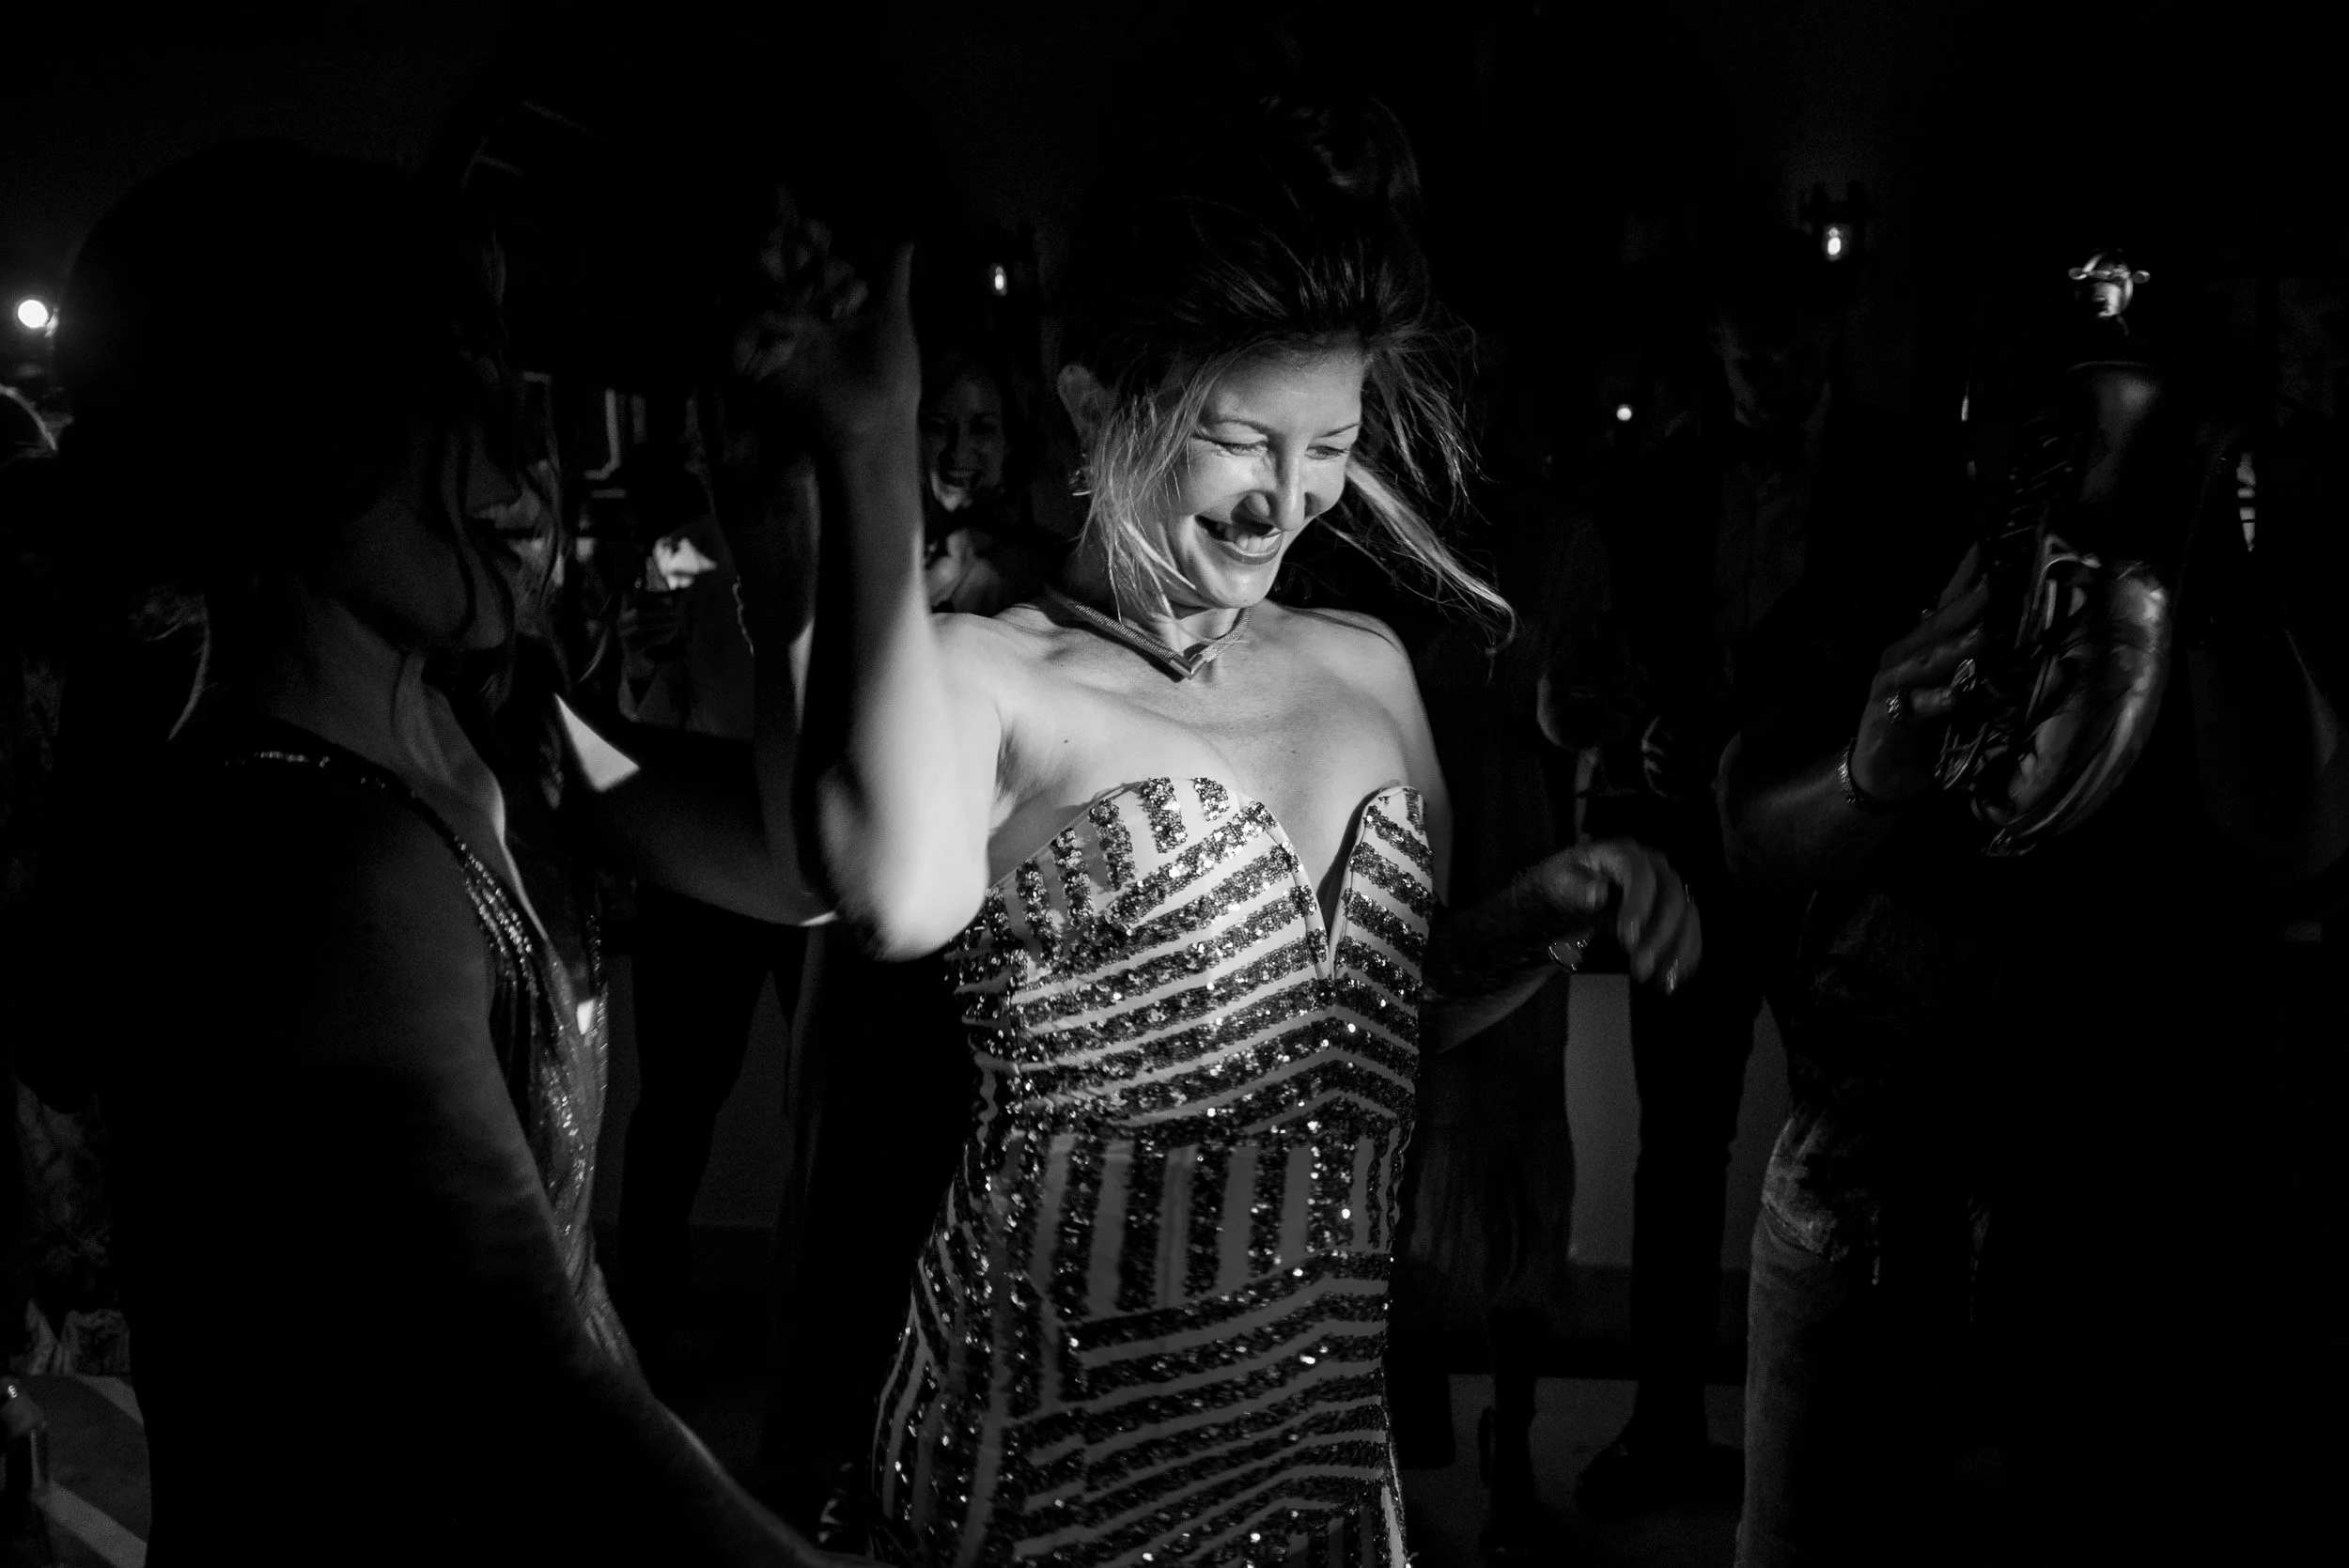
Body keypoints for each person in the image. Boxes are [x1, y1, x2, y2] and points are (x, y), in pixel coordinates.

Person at [743, 94, 1702, 1564]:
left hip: (1316, 1467)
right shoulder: (990, 675)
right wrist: (869, 430)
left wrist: (1550, 908)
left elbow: (1389, 1019)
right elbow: (886, 894)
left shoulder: (1365, 668)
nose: (1288, 500)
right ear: (1094, 401)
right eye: (1239, 438)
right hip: (1051, 1472)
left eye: (1332, 444)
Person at [36, 143, 865, 1565]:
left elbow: (803, 858)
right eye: (436, 391)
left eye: (503, 376)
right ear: (279, 434)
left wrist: (787, 513)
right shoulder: (309, 863)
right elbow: (532, 1395)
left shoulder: (515, 733)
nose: (516, 456)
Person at [1717, 259, 2349, 1564]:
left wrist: (2212, 590)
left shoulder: (2254, 584)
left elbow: (2299, 831)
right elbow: (1751, 830)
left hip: (2136, 1210)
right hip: (1871, 1198)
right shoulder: (1895, 553)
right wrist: (1867, 770)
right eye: (2053, 418)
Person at [1569, 232, 1948, 1514]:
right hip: (1690, 854)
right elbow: (1605, 673)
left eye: (1785, 360)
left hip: (1849, 857)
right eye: (1741, 364)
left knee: (1870, 1151)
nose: (1763, 385)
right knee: (1677, 1154)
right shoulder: (1652, 480)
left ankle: (1883, 1440)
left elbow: (1927, 665)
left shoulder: (1906, 474)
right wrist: (1645, 739)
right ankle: (1664, 1429)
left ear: (1829, 342)